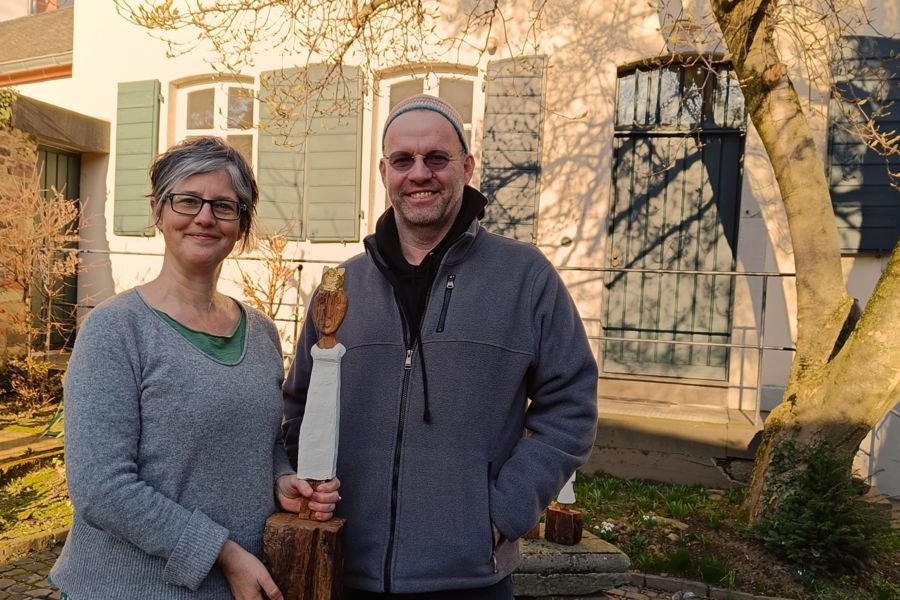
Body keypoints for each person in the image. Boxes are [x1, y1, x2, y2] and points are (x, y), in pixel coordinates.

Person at [283, 95, 598, 598]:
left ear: (467, 166)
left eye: (437, 158)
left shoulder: (525, 277)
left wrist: (504, 512)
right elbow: (297, 406)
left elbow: (571, 406)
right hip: (344, 571)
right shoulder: (339, 287)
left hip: (471, 578)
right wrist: (304, 482)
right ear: (385, 172)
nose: (419, 173)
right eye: (403, 160)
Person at [50, 137, 340, 600]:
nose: (205, 217)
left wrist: (282, 479)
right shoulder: (116, 330)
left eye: (225, 206)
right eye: (187, 200)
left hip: (236, 587)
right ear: (159, 212)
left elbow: (261, 444)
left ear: (241, 225)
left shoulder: (261, 332)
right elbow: (102, 488)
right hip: (129, 589)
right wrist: (223, 552)